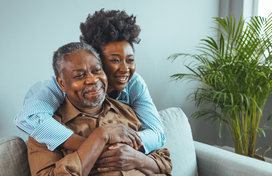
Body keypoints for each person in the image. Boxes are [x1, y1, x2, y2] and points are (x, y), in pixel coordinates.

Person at [14, 9, 164, 155]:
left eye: (130, 60)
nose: (125, 69)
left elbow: (157, 134)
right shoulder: (63, 85)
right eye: (115, 60)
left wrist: (122, 149)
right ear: (96, 60)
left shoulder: (134, 83)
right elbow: (29, 117)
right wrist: (93, 146)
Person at [28, 42, 172, 176]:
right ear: (61, 83)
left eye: (97, 70)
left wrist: (137, 159)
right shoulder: (44, 130)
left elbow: (165, 162)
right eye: (79, 75)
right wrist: (100, 136)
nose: (93, 80)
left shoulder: (125, 110)